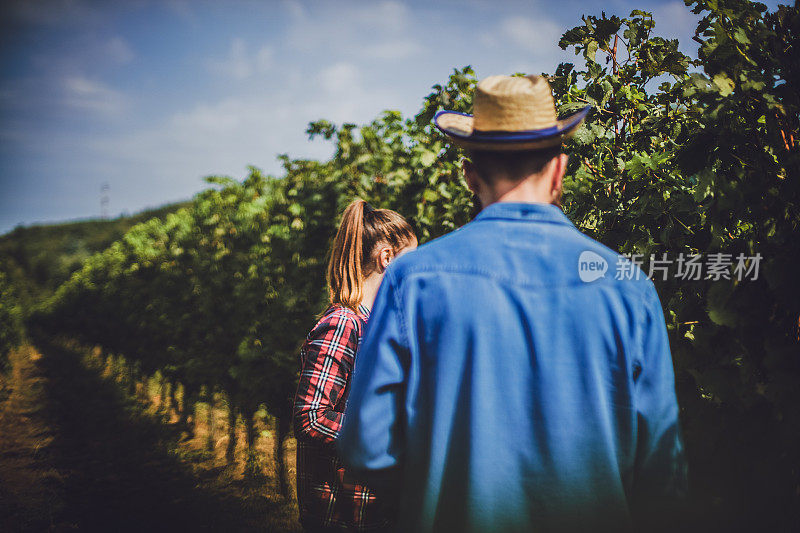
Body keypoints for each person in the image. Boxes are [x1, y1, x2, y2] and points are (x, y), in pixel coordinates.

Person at [337, 75, 687, 532]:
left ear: (469, 176)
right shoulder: (629, 287)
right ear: (559, 169)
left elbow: (366, 447)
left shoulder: (412, 279)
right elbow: (663, 474)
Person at [293, 199, 417, 532]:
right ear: (387, 258)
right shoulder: (344, 322)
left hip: (370, 508)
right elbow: (311, 416)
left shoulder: (374, 325)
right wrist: (387, 437)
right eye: (412, 262)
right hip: (343, 513)